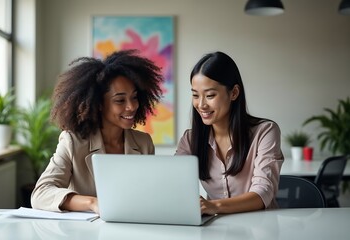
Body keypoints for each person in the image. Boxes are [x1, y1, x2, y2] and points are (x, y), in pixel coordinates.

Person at [31, 50, 163, 213]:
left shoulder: (144, 143)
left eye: (134, 97)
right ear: (99, 104)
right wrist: (93, 203)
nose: (132, 106)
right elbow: (41, 193)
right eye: (120, 100)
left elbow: (149, 195)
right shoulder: (73, 141)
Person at [176, 51, 284, 215]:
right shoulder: (190, 140)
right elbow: (172, 184)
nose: (201, 104)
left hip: (261, 228)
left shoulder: (265, 132)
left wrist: (214, 206)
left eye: (210, 95)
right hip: (215, 230)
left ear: (234, 93)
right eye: (195, 95)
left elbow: (263, 192)